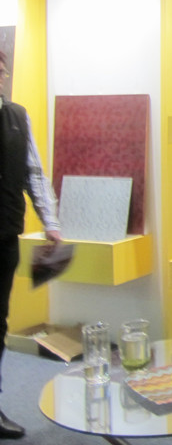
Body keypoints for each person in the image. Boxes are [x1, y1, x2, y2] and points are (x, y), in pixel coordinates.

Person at [0, 51, 63, 439]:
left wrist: (50, 221)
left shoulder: (16, 116)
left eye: (0, 70)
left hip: (5, 234)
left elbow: (33, 172)